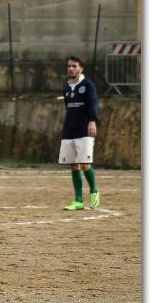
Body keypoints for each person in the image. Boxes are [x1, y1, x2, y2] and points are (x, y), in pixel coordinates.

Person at [60, 56, 100, 210]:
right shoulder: (67, 87)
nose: (71, 68)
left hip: (84, 129)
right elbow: (68, 107)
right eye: (69, 66)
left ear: (81, 68)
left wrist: (92, 120)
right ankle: (78, 201)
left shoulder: (88, 85)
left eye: (74, 66)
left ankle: (94, 192)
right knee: (73, 165)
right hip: (69, 129)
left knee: (84, 164)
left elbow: (93, 103)